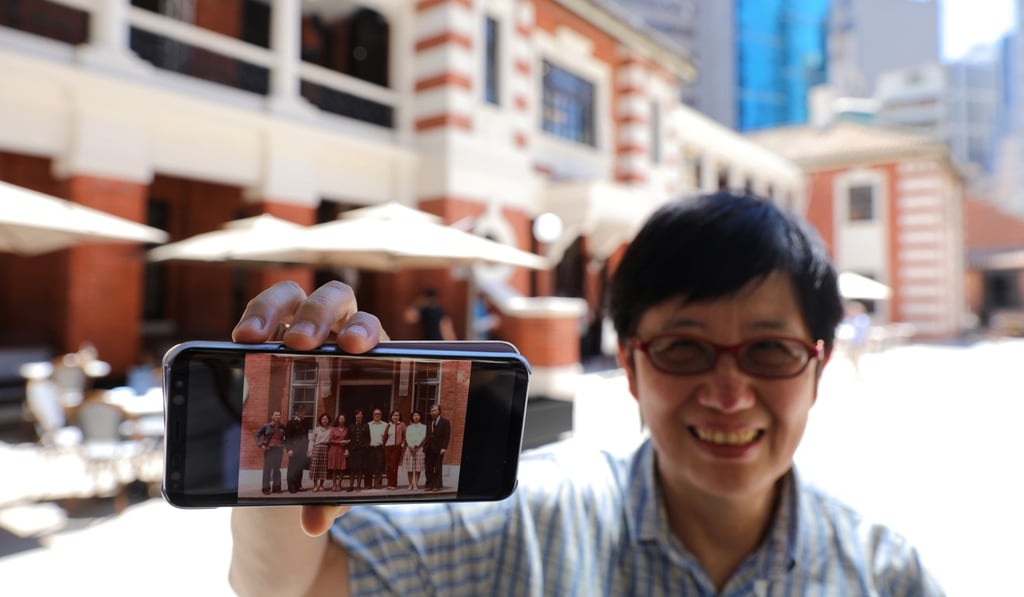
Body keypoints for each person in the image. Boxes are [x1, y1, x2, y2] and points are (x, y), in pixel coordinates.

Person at [228, 192, 944, 596]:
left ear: (817, 368)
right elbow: (302, 585)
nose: (729, 394)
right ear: (631, 366)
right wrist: (285, 462)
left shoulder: (884, 572)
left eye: (770, 351)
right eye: (683, 348)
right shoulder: (536, 521)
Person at [253, 410, 285, 495]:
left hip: (278, 450)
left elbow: (285, 438)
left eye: (279, 415)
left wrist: (283, 445)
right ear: (272, 417)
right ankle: (266, 488)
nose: (277, 417)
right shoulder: (266, 426)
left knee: (277, 469)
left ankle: (276, 488)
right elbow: (257, 435)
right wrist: (261, 444)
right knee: (267, 469)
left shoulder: (282, 427)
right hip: (269, 450)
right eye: (275, 415)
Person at [423, 403, 451, 492]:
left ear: (439, 411)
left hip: (439, 448)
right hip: (429, 448)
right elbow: (427, 435)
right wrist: (425, 446)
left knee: (437, 467)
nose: (433, 412)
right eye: (431, 411)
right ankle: (429, 484)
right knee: (428, 467)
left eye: (435, 410)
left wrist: (444, 447)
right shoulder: (429, 422)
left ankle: (437, 485)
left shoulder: (445, 422)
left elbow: (447, 436)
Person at [283, 408, 309, 493]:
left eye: (303, 411)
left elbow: (306, 437)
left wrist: (307, 449)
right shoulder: (291, 423)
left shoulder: (305, 423)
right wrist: (289, 449)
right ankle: (291, 487)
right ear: (296, 412)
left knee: (300, 468)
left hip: (302, 450)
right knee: (292, 468)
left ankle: (298, 485)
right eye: (300, 411)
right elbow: (288, 437)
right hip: (294, 450)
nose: (302, 413)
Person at [346, 409, 370, 492]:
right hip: (353, 450)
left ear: (362, 416)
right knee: (352, 469)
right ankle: (351, 485)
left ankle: (359, 486)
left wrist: (365, 446)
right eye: (357, 415)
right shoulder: (351, 426)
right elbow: (347, 439)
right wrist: (347, 449)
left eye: (360, 414)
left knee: (360, 469)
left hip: (362, 451)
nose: (359, 416)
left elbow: (368, 438)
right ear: (355, 416)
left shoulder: (365, 426)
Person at [382, 409, 406, 490]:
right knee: (388, 466)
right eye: (394, 415)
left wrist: (402, 444)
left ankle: (393, 484)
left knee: (393, 466)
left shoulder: (402, 425)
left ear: (399, 417)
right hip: (388, 447)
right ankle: (389, 484)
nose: (395, 417)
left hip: (396, 447)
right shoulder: (388, 425)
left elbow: (405, 436)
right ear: (391, 417)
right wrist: (384, 445)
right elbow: (385, 436)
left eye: (397, 415)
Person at [402, 410, 427, 491]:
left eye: (418, 415)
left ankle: (415, 484)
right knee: (410, 468)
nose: (416, 417)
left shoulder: (424, 427)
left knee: (417, 468)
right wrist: (410, 445)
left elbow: (423, 437)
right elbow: (407, 437)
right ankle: (410, 484)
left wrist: (416, 445)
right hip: (409, 448)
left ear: (420, 417)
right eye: (414, 415)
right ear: (412, 417)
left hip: (419, 448)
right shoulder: (409, 427)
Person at [309, 413, 332, 492]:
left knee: (323, 468)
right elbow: (312, 440)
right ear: (320, 420)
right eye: (323, 419)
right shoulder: (317, 429)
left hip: (326, 448)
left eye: (326, 419)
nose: (325, 421)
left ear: (328, 420)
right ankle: (315, 485)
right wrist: (310, 451)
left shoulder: (331, 429)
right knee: (315, 467)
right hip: (317, 448)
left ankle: (321, 485)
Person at [366, 408, 388, 489]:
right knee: (369, 467)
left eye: (378, 414)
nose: (377, 415)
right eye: (375, 414)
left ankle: (377, 484)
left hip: (380, 448)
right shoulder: (368, 425)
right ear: (373, 415)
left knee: (379, 467)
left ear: (381, 415)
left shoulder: (385, 425)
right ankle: (368, 485)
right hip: (370, 448)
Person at [327, 414, 350, 492]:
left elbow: (350, 438)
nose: (342, 420)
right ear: (338, 420)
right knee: (334, 469)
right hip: (334, 450)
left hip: (342, 450)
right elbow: (330, 440)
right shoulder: (333, 429)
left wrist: (347, 442)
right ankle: (334, 485)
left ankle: (339, 484)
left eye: (343, 419)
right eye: (340, 419)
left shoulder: (347, 429)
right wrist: (339, 442)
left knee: (342, 468)